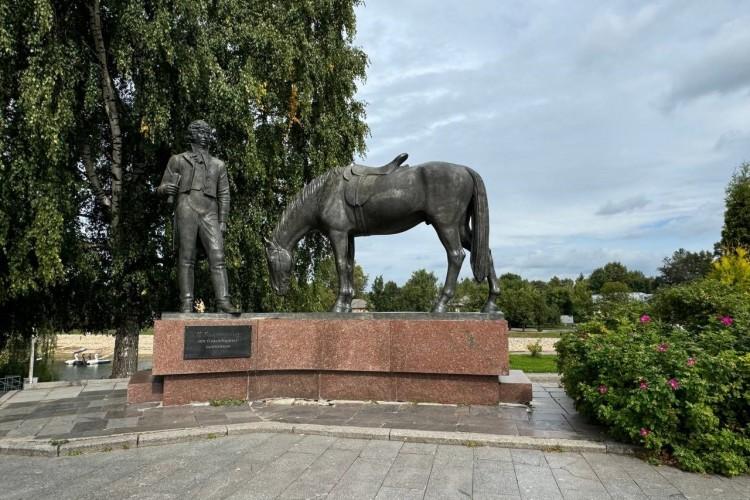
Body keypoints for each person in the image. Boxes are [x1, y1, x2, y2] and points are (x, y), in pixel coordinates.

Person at [158, 120, 239, 313]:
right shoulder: (178, 160)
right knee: (186, 257)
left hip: (209, 210)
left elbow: (224, 194)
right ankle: (186, 302)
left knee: (218, 255)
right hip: (186, 206)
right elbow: (161, 187)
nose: (205, 135)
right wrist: (165, 189)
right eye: (200, 132)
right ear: (191, 135)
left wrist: (223, 221)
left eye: (206, 132)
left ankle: (223, 301)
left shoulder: (219, 165)